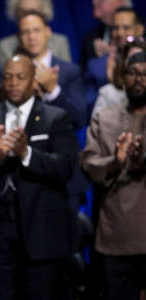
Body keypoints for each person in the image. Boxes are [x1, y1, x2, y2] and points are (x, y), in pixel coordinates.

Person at [0, 54, 78, 300]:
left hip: (41, 235)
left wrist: (26, 153)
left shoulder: (55, 118)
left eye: (20, 77)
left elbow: (66, 167)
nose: (13, 83)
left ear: (33, 81)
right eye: (8, 77)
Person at [80, 51, 146, 300]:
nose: (138, 79)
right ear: (122, 77)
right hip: (116, 237)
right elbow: (88, 164)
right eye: (132, 73)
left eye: (144, 73)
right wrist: (116, 162)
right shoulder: (104, 119)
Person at [16, 10, 87, 129]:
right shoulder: (10, 72)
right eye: (25, 32)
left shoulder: (70, 71)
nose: (32, 37)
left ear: (48, 32)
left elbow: (80, 119)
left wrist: (53, 89)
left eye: (36, 30)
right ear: (19, 37)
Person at [0, 0, 71, 75]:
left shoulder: (60, 42)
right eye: (24, 11)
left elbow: (68, 76)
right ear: (15, 13)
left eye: (34, 11)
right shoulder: (5, 46)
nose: (32, 37)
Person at [81, 0, 132, 68]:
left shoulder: (142, 33)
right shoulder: (91, 39)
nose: (94, 2)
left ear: (120, 1)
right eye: (116, 28)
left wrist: (119, 52)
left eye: (101, 2)